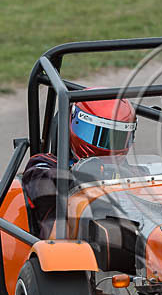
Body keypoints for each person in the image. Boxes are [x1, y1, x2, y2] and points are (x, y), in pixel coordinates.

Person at [22, 96, 137, 238]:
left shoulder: (133, 173)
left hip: (131, 243)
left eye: (117, 138)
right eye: (97, 135)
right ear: (74, 124)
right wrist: (85, 176)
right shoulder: (43, 166)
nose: (107, 145)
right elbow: (45, 180)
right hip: (68, 250)